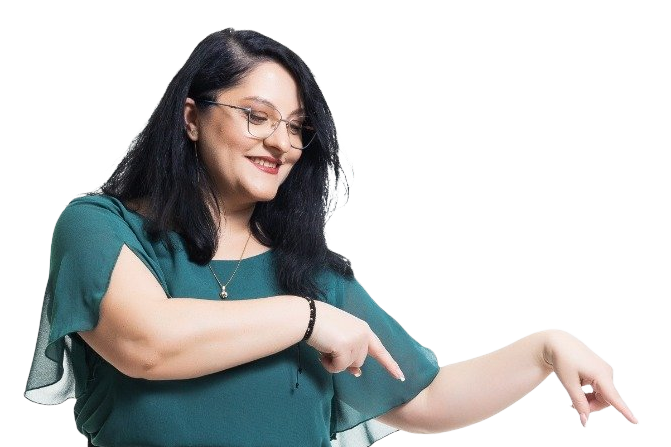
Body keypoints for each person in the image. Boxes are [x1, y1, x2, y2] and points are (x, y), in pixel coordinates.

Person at [23, 27, 640, 447]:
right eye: (257, 117)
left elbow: (425, 399)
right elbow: (148, 344)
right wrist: (307, 319)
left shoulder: (311, 272)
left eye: (297, 128)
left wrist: (545, 348)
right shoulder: (100, 228)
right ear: (191, 117)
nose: (282, 143)